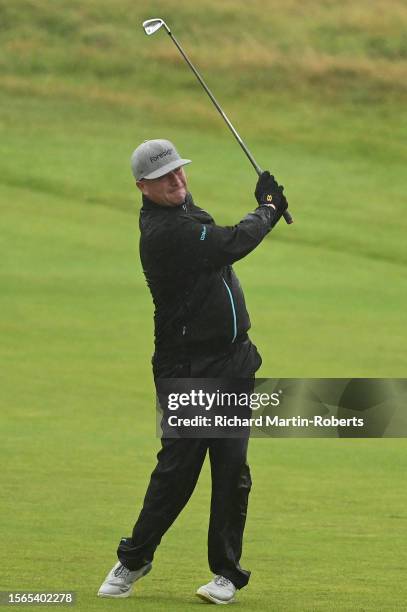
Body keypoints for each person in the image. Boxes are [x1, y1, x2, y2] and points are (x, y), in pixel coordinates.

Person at [98, 139, 288, 604]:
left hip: (234, 361)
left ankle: (226, 573)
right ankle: (135, 558)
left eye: (180, 171)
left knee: (231, 470)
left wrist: (262, 199)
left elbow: (219, 234)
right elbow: (231, 242)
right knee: (178, 471)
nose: (177, 181)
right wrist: (266, 208)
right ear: (143, 187)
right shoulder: (164, 233)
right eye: (165, 178)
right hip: (188, 365)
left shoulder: (184, 211)